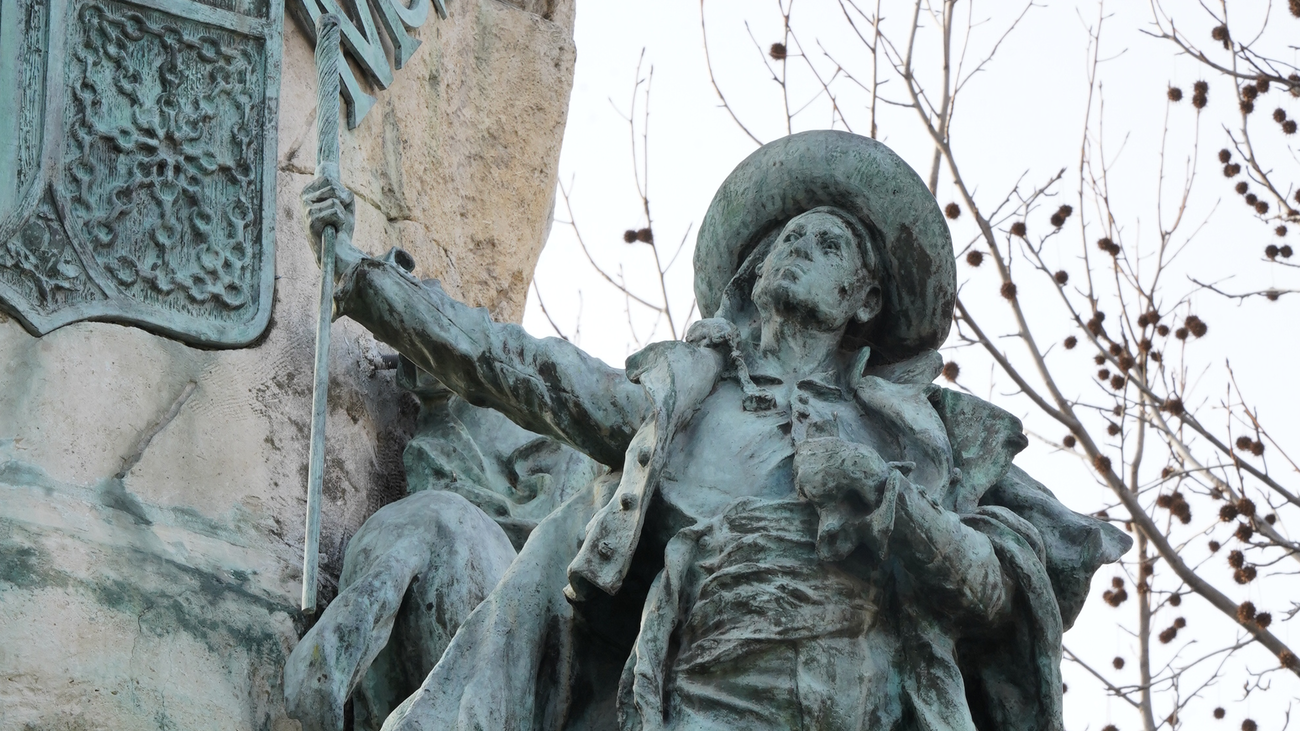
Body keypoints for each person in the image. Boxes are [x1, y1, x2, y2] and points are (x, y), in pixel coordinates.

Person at [287, 130, 1130, 731]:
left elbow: (1003, 587)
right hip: (693, 689)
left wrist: (894, 507)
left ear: (865, 301)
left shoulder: (922, 440)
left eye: (827, 242)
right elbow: (526, 368)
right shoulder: (679, 400)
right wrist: (367, 283)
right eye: (781, 241)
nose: (794, 246)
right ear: (751, 276)